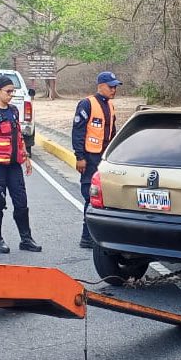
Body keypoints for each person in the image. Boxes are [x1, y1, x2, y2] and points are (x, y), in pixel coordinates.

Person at [0, 74, 42, 253]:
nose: (11, 94)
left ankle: (26, 239)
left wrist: (26, 157)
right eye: (8, 91)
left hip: (14, 166)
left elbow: (19, 136)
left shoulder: (14, 110)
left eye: (13, 91)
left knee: (21, 202)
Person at [72, 71, 121, 248]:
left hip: (104, 157)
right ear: (100, 86)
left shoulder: (110, 106)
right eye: (111, 86)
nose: (114, 90)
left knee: (103, 197)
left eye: (115, 87)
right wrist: (80, 157)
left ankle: (97, 236)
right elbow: (78, 131)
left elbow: (113, 132)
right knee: (89, 197)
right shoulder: (87, 104)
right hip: (90, 157)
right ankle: (86, 237)